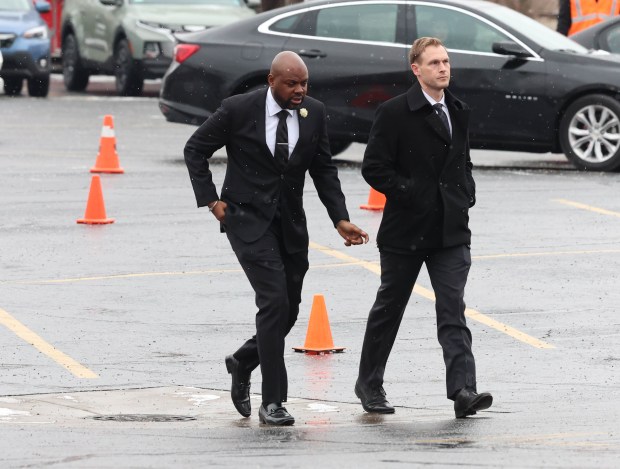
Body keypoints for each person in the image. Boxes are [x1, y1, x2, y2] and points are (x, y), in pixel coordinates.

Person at [184, 51, 369, 426]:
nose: (300, 90)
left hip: (290, 226)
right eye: (292, 83)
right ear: (272, 81)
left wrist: (341, 218)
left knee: (289, 310)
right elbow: (195, 149)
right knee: (273, 303)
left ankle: (242, 361)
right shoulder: (237, 109)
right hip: (247, 222)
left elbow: (323, 168)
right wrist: (211, 201)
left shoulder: (313, 112)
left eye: (304, 83)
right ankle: (274, 402)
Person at [355, 37, 493, 419]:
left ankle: (464, 391)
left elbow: (462, 161)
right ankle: (369, 383)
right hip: (406, 231)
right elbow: (374, 167)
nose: (443, 68)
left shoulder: (459, 110)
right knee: (390, 308)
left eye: (446, 61)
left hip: (451, 232)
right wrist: (411, 192)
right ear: (416, 69)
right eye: (434, 63)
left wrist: (466, 194)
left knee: (452, 310)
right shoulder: (395, 112)